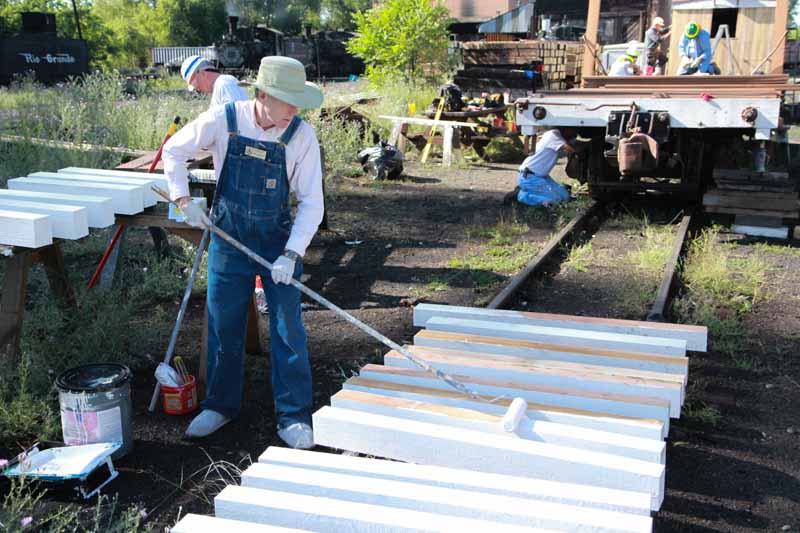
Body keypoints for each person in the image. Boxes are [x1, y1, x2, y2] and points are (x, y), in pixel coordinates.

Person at [162, 56, 324, 448]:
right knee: (223, 324)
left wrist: (291, 253)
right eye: (287, 101)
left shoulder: (301, 136)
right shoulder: (224, 119)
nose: (294, 110)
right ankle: (220, 405)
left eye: (298, 101)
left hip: (277, 243)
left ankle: (293, 414)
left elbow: (312, 203)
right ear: (263, 95)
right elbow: (173, 150)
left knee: (288, 329)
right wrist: (183, 199)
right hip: (228, 240)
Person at [510, 127, 580, 207]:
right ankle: (520, 195)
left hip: (541, 176)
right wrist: (582, 151)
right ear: (565, 129)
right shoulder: (554, 135)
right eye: (574, 131)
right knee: (555, 200)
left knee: (565, 196)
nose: (575, 135)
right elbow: (570, 149)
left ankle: (529, 191)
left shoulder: (554, 135)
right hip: (529, 176)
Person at [180, 54, 249, 107]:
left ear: (202, 74)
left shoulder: (224, 83)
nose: (198, 89)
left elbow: (235, 118)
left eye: (195, 85)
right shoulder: (219, 87)